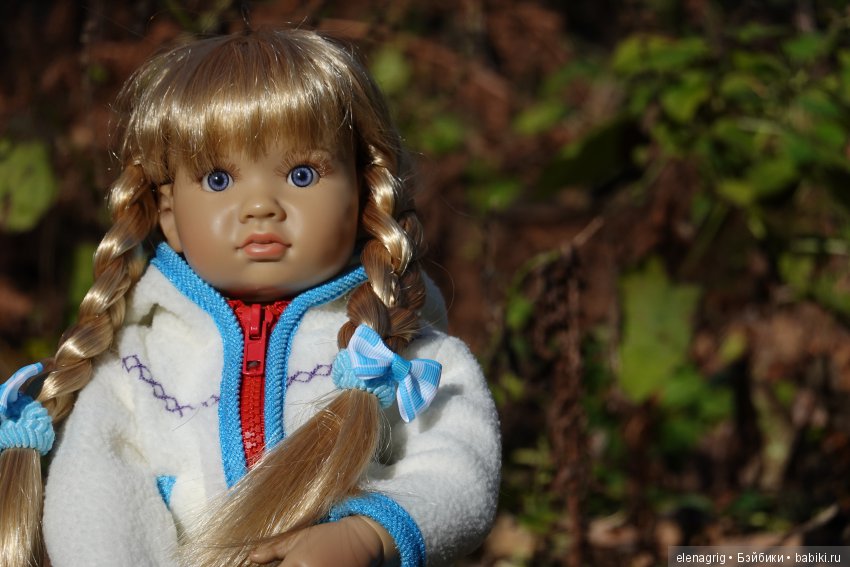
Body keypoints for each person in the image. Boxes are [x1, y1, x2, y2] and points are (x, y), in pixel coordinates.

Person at [0, 28, 500, 567]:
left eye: (302, 174)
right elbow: (95, 498)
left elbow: (460, 466)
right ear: (169, 215)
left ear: (363, 192)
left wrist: (371, 534)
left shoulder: (401, 352)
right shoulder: (137, 365)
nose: (261, 205)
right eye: (218, 180)